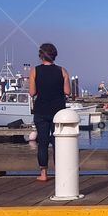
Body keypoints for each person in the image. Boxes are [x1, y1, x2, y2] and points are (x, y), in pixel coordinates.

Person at [28, 43, 71, 182]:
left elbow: (32, 92)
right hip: (58, 111)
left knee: (43, 142)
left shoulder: (35, 71)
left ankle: (44, 174)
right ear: (54, 55)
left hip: (41, 111)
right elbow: (67, 92)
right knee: (58, 142)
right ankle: (60, 172)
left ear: (41, 56)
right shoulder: (62, 71)